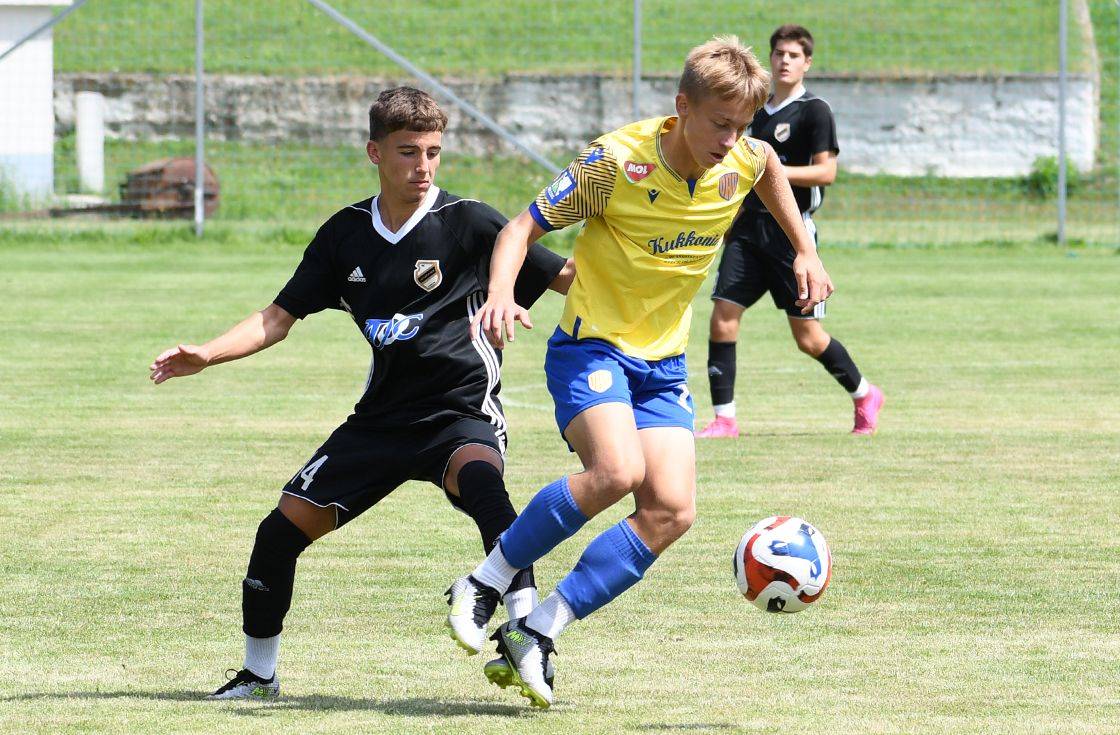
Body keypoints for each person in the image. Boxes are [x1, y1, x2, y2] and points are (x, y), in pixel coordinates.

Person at [444, 36, 832, 709]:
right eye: (719, 123)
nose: (730, 140)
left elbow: (768, 167)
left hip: (663, 364)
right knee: (616, 472)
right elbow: (518, 230)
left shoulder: (743, 157)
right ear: (682, 107)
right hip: (591, 348)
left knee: (671, 511)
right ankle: (485, 580)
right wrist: (502, 293)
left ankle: (538, 630)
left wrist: (805, 249)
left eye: (741, 126)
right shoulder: (615, 163)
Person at [148, 86, 573, 700]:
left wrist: (637, 264)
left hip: (460, 411)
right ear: (375, 153)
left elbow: (566, 277)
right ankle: (258, 675)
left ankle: (525, 635)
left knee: (488, 492)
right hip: (380, 422)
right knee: (278, 534)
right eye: (408, 152)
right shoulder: (344, 235)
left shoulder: (470, 222)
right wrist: (207, 354)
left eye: (433, 152)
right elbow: (277, 317)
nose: (423, 167)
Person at [697, 25, 884, 439]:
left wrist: (773, 172)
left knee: (808, 338)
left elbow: (826, 172)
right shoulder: (752, 111)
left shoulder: (815, 111)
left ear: (807, 63)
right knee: (723, 318)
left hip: (792, 234)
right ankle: (725, 420)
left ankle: (865, 395)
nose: (785, 61)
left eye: (794, 55)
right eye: (779, 53)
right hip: (748, 231)